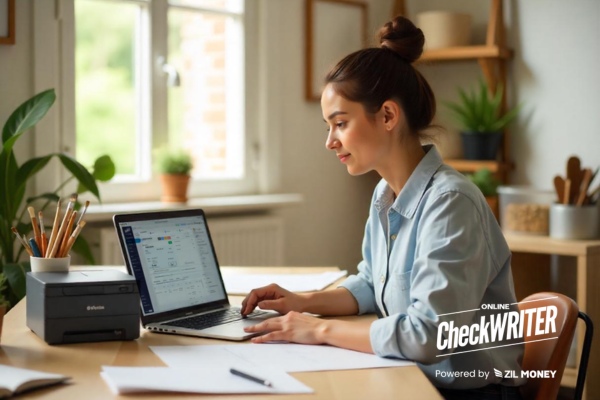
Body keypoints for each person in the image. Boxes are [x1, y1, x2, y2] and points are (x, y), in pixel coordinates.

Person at [241, 16, 524, 400]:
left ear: (388, 115)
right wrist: (299, 302)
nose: (330, 141)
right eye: (329, 126)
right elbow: (374, 284)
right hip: (411, 376)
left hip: (466, 392)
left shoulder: (450, 203)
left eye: (340, 123)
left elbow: (427, 335)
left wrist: (317, 328)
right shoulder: (384, 194)